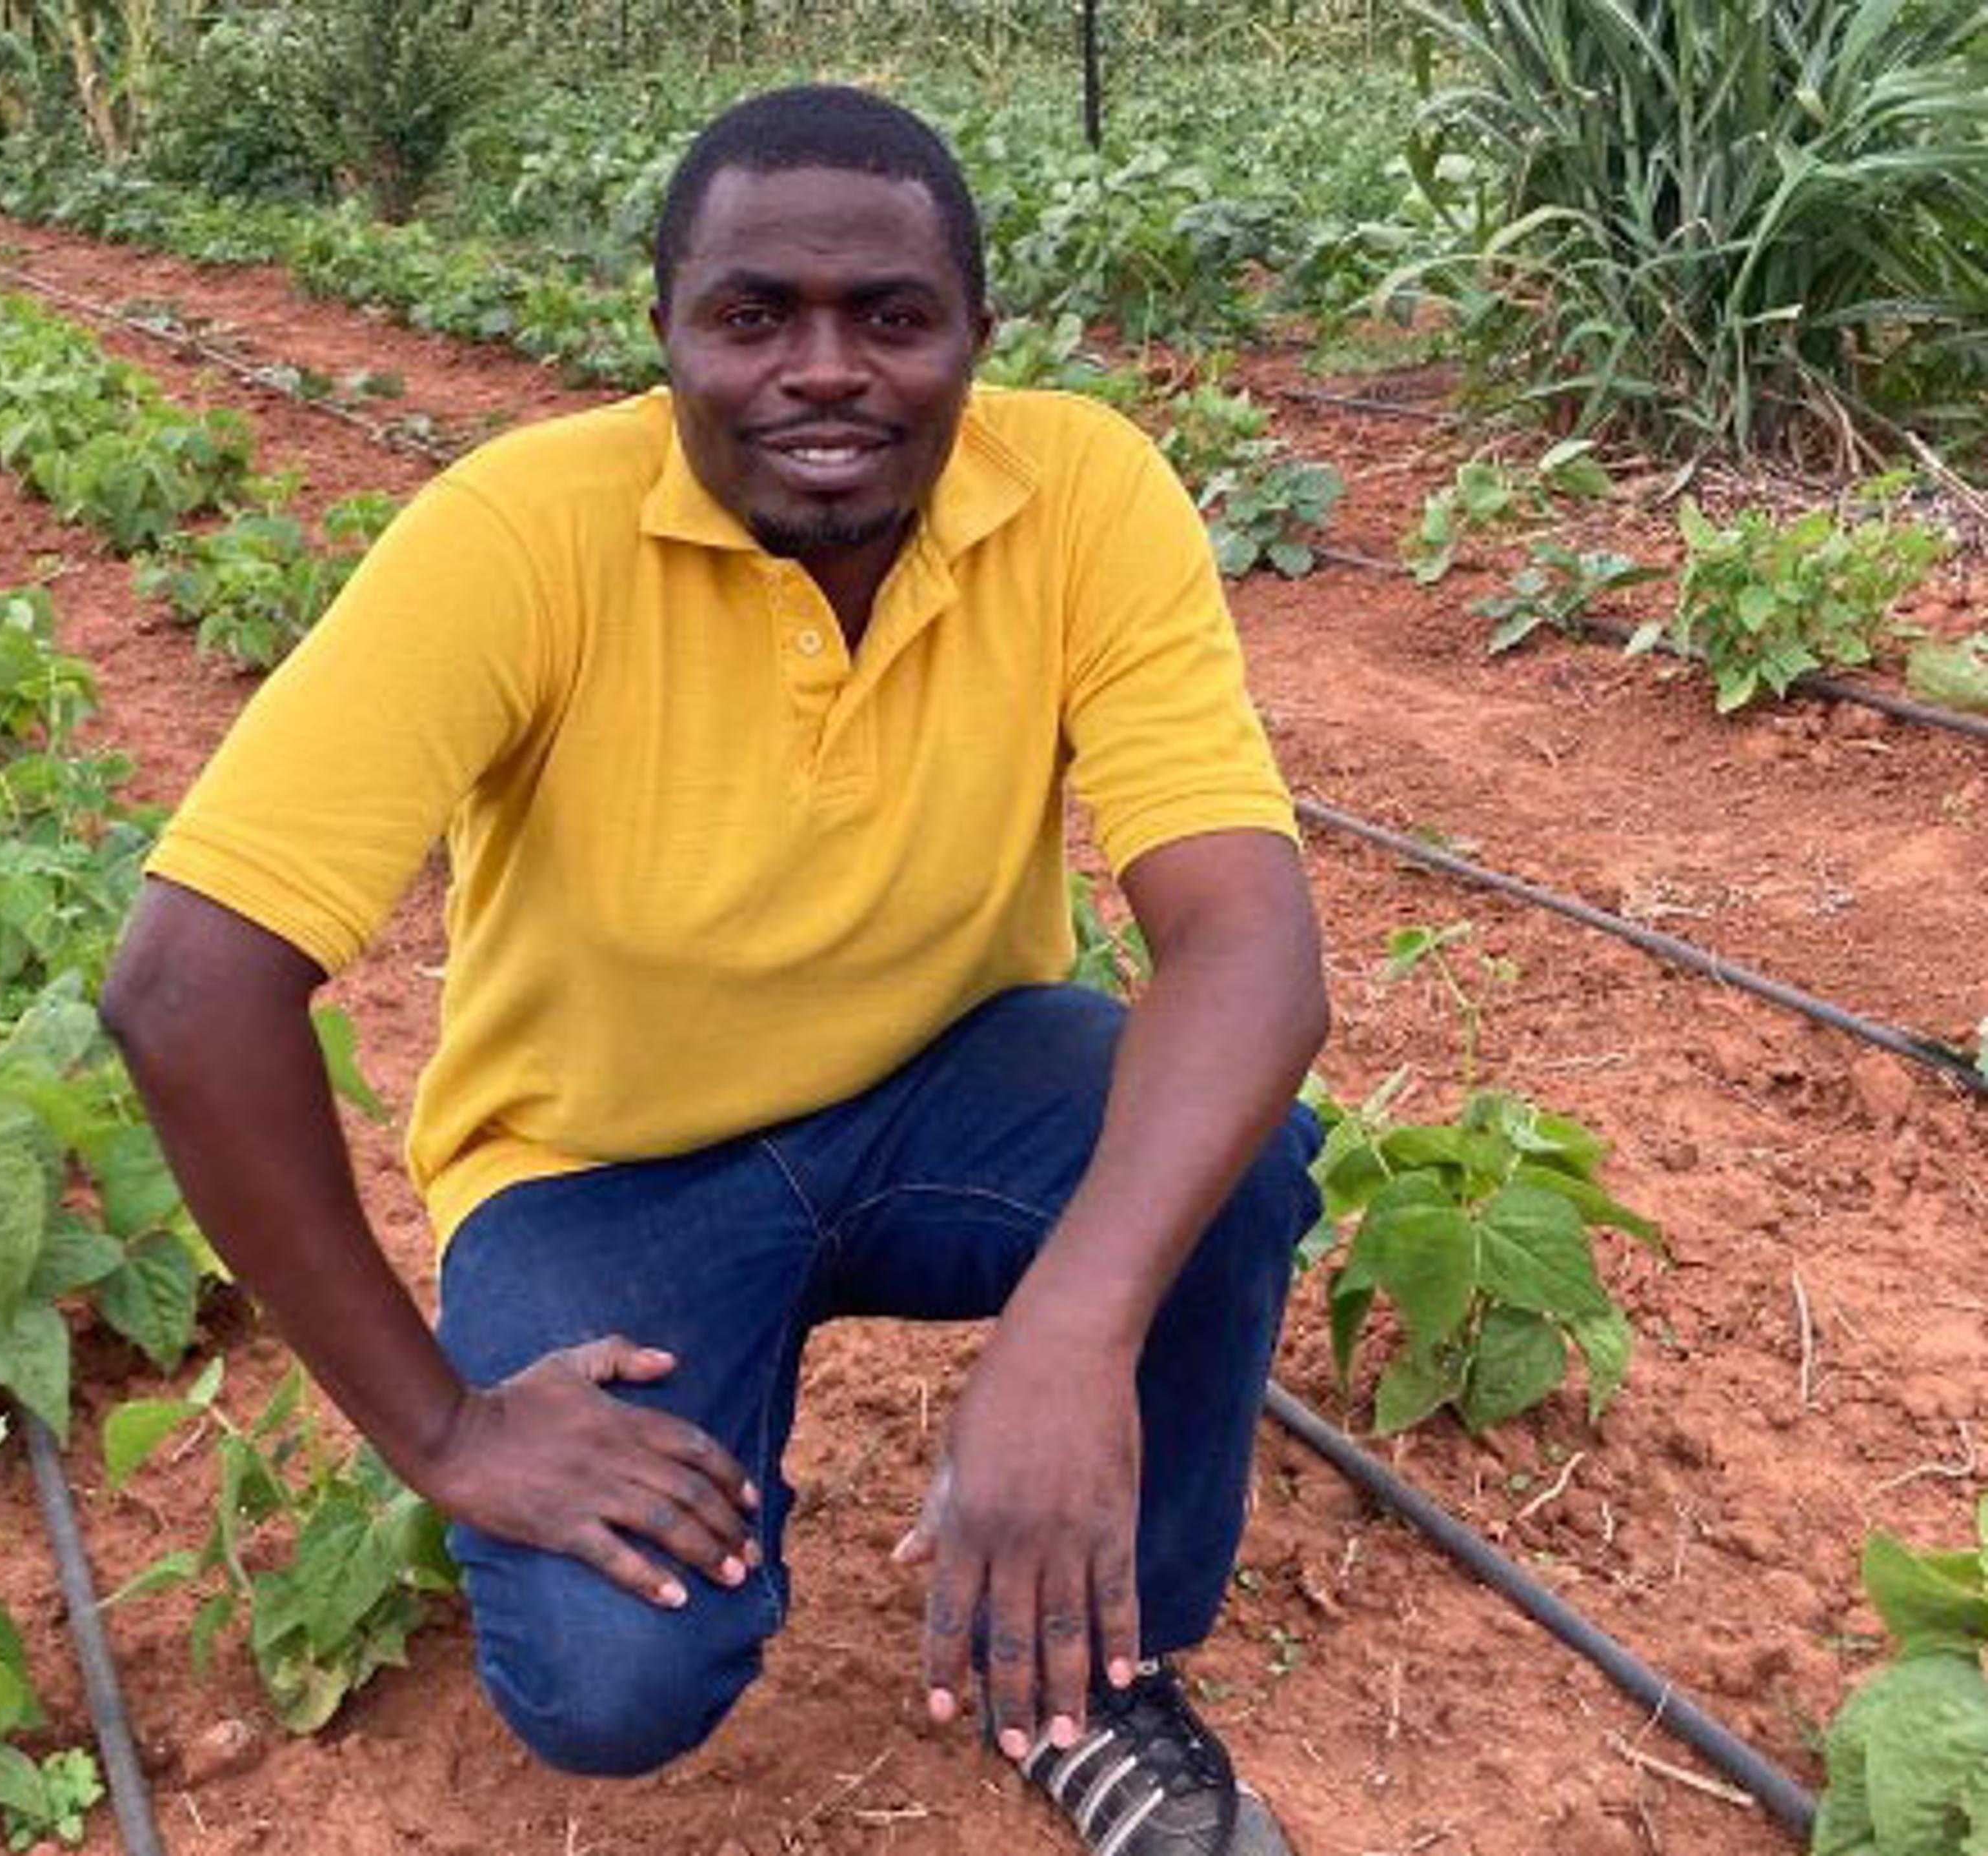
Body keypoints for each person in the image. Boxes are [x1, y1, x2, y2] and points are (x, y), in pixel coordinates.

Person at [101, 84, 1329, 1856]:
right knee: (613, 1685)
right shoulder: (524, 530)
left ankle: (1089, 1670)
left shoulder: (1079, 492)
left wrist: (1069, 1331)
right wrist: (445, 1429)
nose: (823, 368)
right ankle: (714, 1434)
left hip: (945, 1083)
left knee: (1226, 1165)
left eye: (891, 318)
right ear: (663, 331)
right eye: (754, 315)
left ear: (980, 334)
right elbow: (185, 985)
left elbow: (1252, 946)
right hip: (607, 1173)